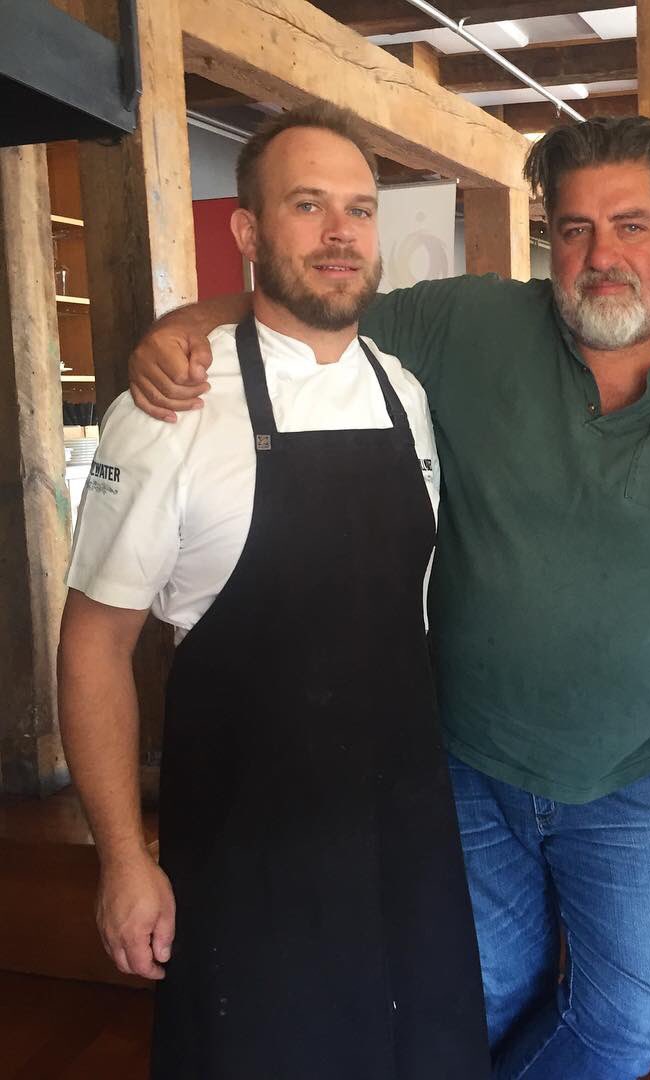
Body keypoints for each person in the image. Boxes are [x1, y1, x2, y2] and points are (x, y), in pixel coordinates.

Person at [129, 116, 650, 1080]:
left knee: (635, 1020)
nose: (600, 257)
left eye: (631, 226)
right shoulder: (470, 323)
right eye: (575, 229)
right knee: (480, 997)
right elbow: (310, 304)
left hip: (625, 777)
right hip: (459, 764)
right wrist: (181, 328)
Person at [57, 102, 491, 1079]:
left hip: (400, 834)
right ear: (248, 232)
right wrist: (124, 858)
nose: (341, 233)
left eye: (358, 209)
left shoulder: (404, 392)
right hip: (246, 850)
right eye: (307, 206)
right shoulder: (169, 411)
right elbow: (92, 644)